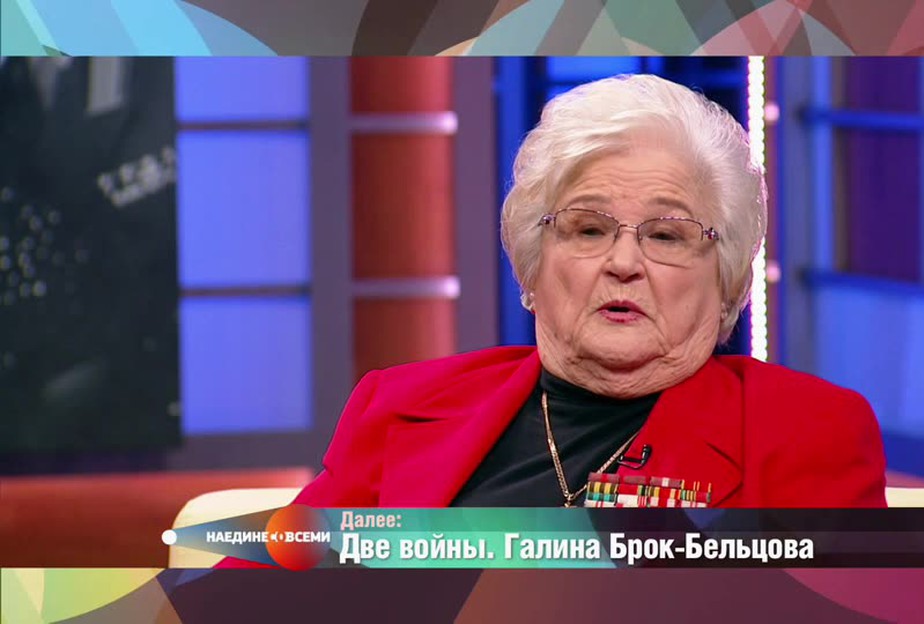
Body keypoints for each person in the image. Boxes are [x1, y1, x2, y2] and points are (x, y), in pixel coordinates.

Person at [289, 74, 887, 511]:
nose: (623, 263)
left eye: (667, 235)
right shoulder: (399, 405)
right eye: (588, 229)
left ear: (727, 280)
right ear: (532, 265)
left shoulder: (807, 431)